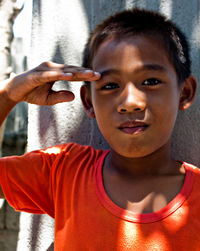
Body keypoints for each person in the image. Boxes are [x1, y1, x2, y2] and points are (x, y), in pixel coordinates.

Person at [0, 8, 199, 250]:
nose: (130, 102)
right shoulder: (64, 171)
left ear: (185, 92)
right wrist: (8, 94)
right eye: (111, 85)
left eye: (150, 82)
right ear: (88, 101)